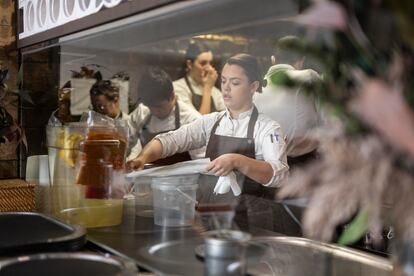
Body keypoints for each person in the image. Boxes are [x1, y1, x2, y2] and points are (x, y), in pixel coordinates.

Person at [127, 54, 288, 229]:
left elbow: (279, 175)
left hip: (250, 220)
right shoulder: (211, 122)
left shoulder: (268, 128)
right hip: (211, 216)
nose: (226, 88)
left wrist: (237, 161)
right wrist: (142, 158)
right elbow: (171, 140)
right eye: (224, 81)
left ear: (253, 87)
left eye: (234, 83)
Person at [254, 51, 323, 166]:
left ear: (273, 60)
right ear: (301, 61)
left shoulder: (256, 87)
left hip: (264, 166)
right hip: (304, 164)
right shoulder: (308, 77)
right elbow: (330, 120)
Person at [127, 67, 203, 164]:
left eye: (159, 107)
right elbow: (124, 142)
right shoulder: (142, 112)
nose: (154, 111)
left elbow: (201, 163)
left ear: (172, 96)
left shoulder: (191, 120)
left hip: (183, 178)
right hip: (149, 177)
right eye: (150, 107)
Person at [173, 41, 226, 114]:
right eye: (203, 63)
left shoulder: (215, 91)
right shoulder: (178, 88)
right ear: (190, 64)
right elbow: (198, 123)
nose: (209, 68)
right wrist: (207, 89)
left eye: (210, 63)